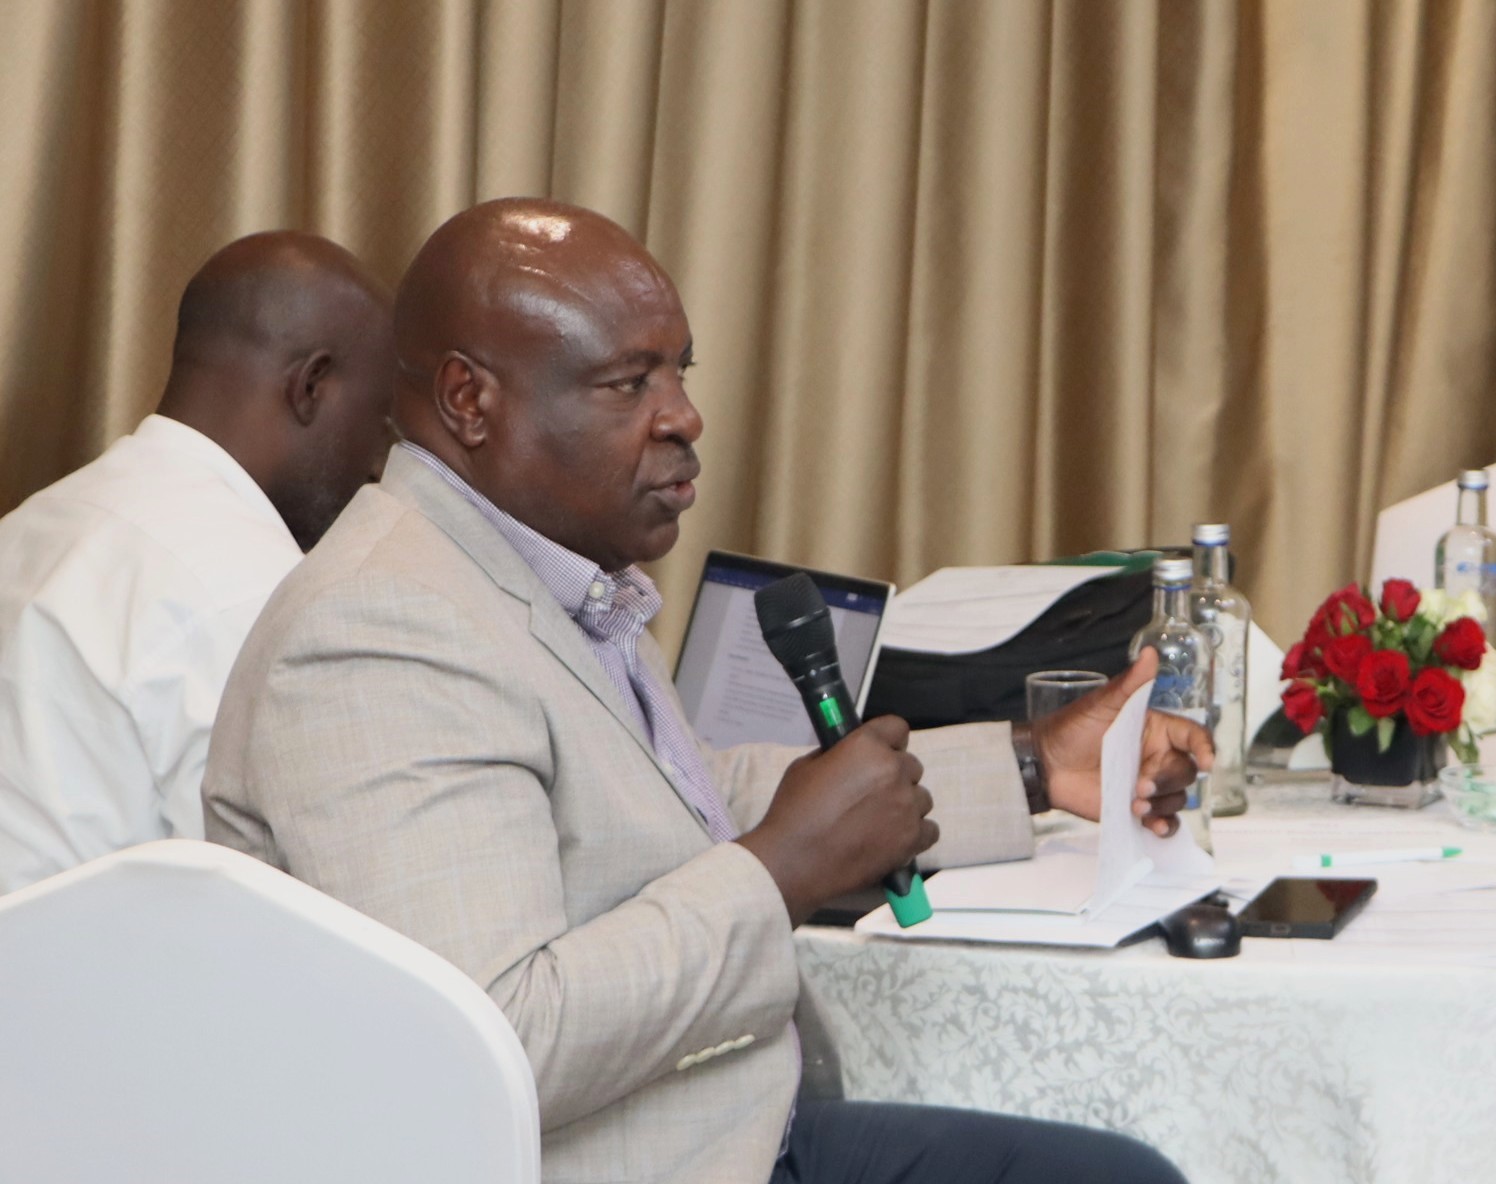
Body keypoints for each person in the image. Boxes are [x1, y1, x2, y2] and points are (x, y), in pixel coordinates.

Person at [203, 198, 1207, 1184]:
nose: (683, 416)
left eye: (679, 370)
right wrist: (778, 873)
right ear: (470, 399)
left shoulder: (536, 570)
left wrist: (1034, 761)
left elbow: (683, 797)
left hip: (733, 1127)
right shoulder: (381, 626)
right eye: (627, 382)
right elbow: (495, 1040)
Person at [0, 232, 397, 893]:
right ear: (311, 386)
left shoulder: (31, 525)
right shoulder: (259, 594)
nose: (381, 464)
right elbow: (305, 897)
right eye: (381, 422)